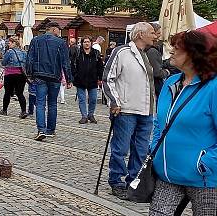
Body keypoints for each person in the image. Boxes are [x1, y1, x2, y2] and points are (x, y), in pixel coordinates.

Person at [149, 30, 217, 216]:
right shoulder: (171, 83)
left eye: (177, 48)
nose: (172, 52)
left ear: (194, 54)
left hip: (206, 179)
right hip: (168, 175)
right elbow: (160, 124)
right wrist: (155, 151)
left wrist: (204, 163)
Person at [102, 22, 157, 199]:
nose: (155, 35)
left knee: (141, 150)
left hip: (145, 110)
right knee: (121, 148)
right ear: (140, 34)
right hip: (125, 109)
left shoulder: (147, 54)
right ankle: (116, 181)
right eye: (151, 32)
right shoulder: (122, 52)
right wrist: (115, 102)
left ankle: (134, 181)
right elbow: (108, 79)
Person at [24, 21, 72, 141]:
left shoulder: (36, 40)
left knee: (40, 104)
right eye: (58, 30)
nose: (59, 32)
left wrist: (29, 74)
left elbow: (29, 58)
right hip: (55, 77)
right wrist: (69, 78)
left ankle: (41, 130)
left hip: (40, 76)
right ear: (53, 29)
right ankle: (51, 130)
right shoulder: (61, 43)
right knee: (52, 104)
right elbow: (66, 62)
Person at [70, 36, 103, 124]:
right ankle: (84, 116)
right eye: (85, 42)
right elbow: (73, 65)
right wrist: (74, 76)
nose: (87, 43)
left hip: (93, 79)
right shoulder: (78, 53)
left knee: (93, 99)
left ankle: (91, 115)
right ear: (82, 43)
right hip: (80, 79)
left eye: (88, 42)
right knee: (82, 99)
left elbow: (100, 66)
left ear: (91, 43)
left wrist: (100, 78)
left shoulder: (96, 53)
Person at [1, 37, 28, 118]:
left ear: (14, 43)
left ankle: (4, 110)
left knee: (7, 93)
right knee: (20, 93)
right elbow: (26, 63)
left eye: (9, 43)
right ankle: (23, 111)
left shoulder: (9, 52)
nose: (8, 44)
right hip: (21, 75)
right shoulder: (23, 52)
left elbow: (3, 62)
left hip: (9, 74)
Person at [146, 23, 170, 101]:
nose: (160, 35)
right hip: (155, 87)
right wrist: (167, 72)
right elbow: (157, 73)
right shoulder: (152, 51)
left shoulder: (152, 49)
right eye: (158, 33)